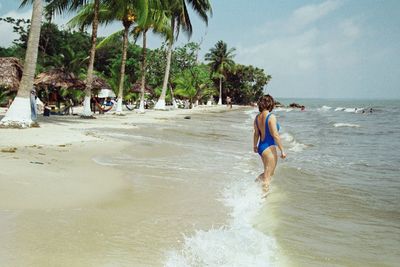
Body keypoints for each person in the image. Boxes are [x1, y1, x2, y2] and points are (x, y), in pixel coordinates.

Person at [253, 94, 286, 194]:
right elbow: (275, 135)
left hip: (261, 147)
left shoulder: (257, 117)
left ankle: (255, 186)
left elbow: (256, 133)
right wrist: (282, 150)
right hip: (269, 148)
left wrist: (255, 145)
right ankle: (263, 198)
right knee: (268, 175)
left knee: (268, 172)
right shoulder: (271, 117)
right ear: (270, 104)